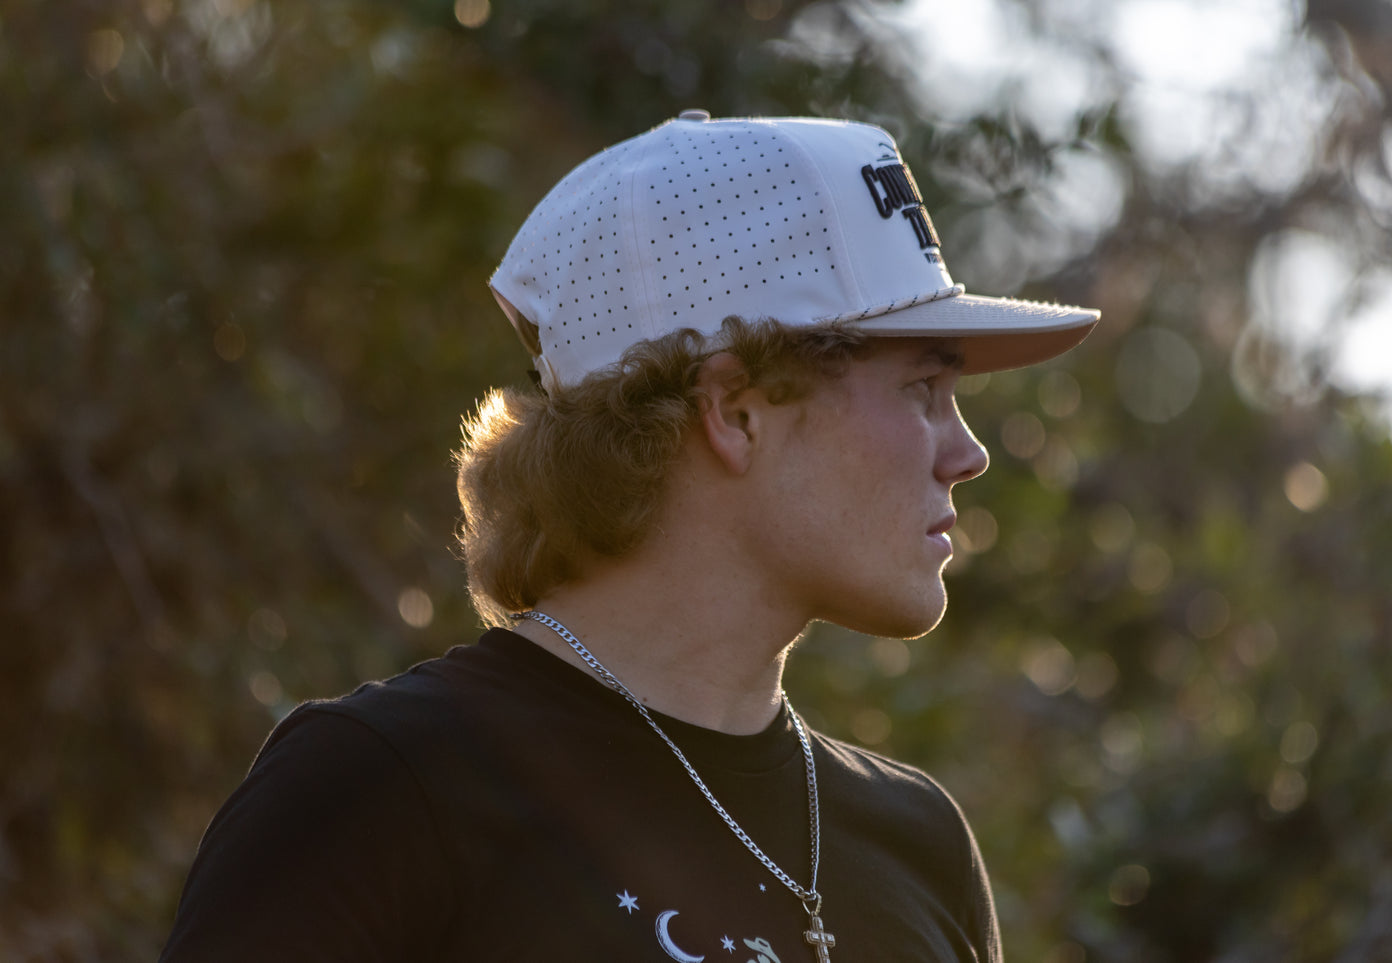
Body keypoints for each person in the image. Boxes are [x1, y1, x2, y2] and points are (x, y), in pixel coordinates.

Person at [160, 110, 1099, 962]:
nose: (965, 452)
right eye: (921, 389)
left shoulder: (916, 838)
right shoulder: (382, 788)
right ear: (736, 408)